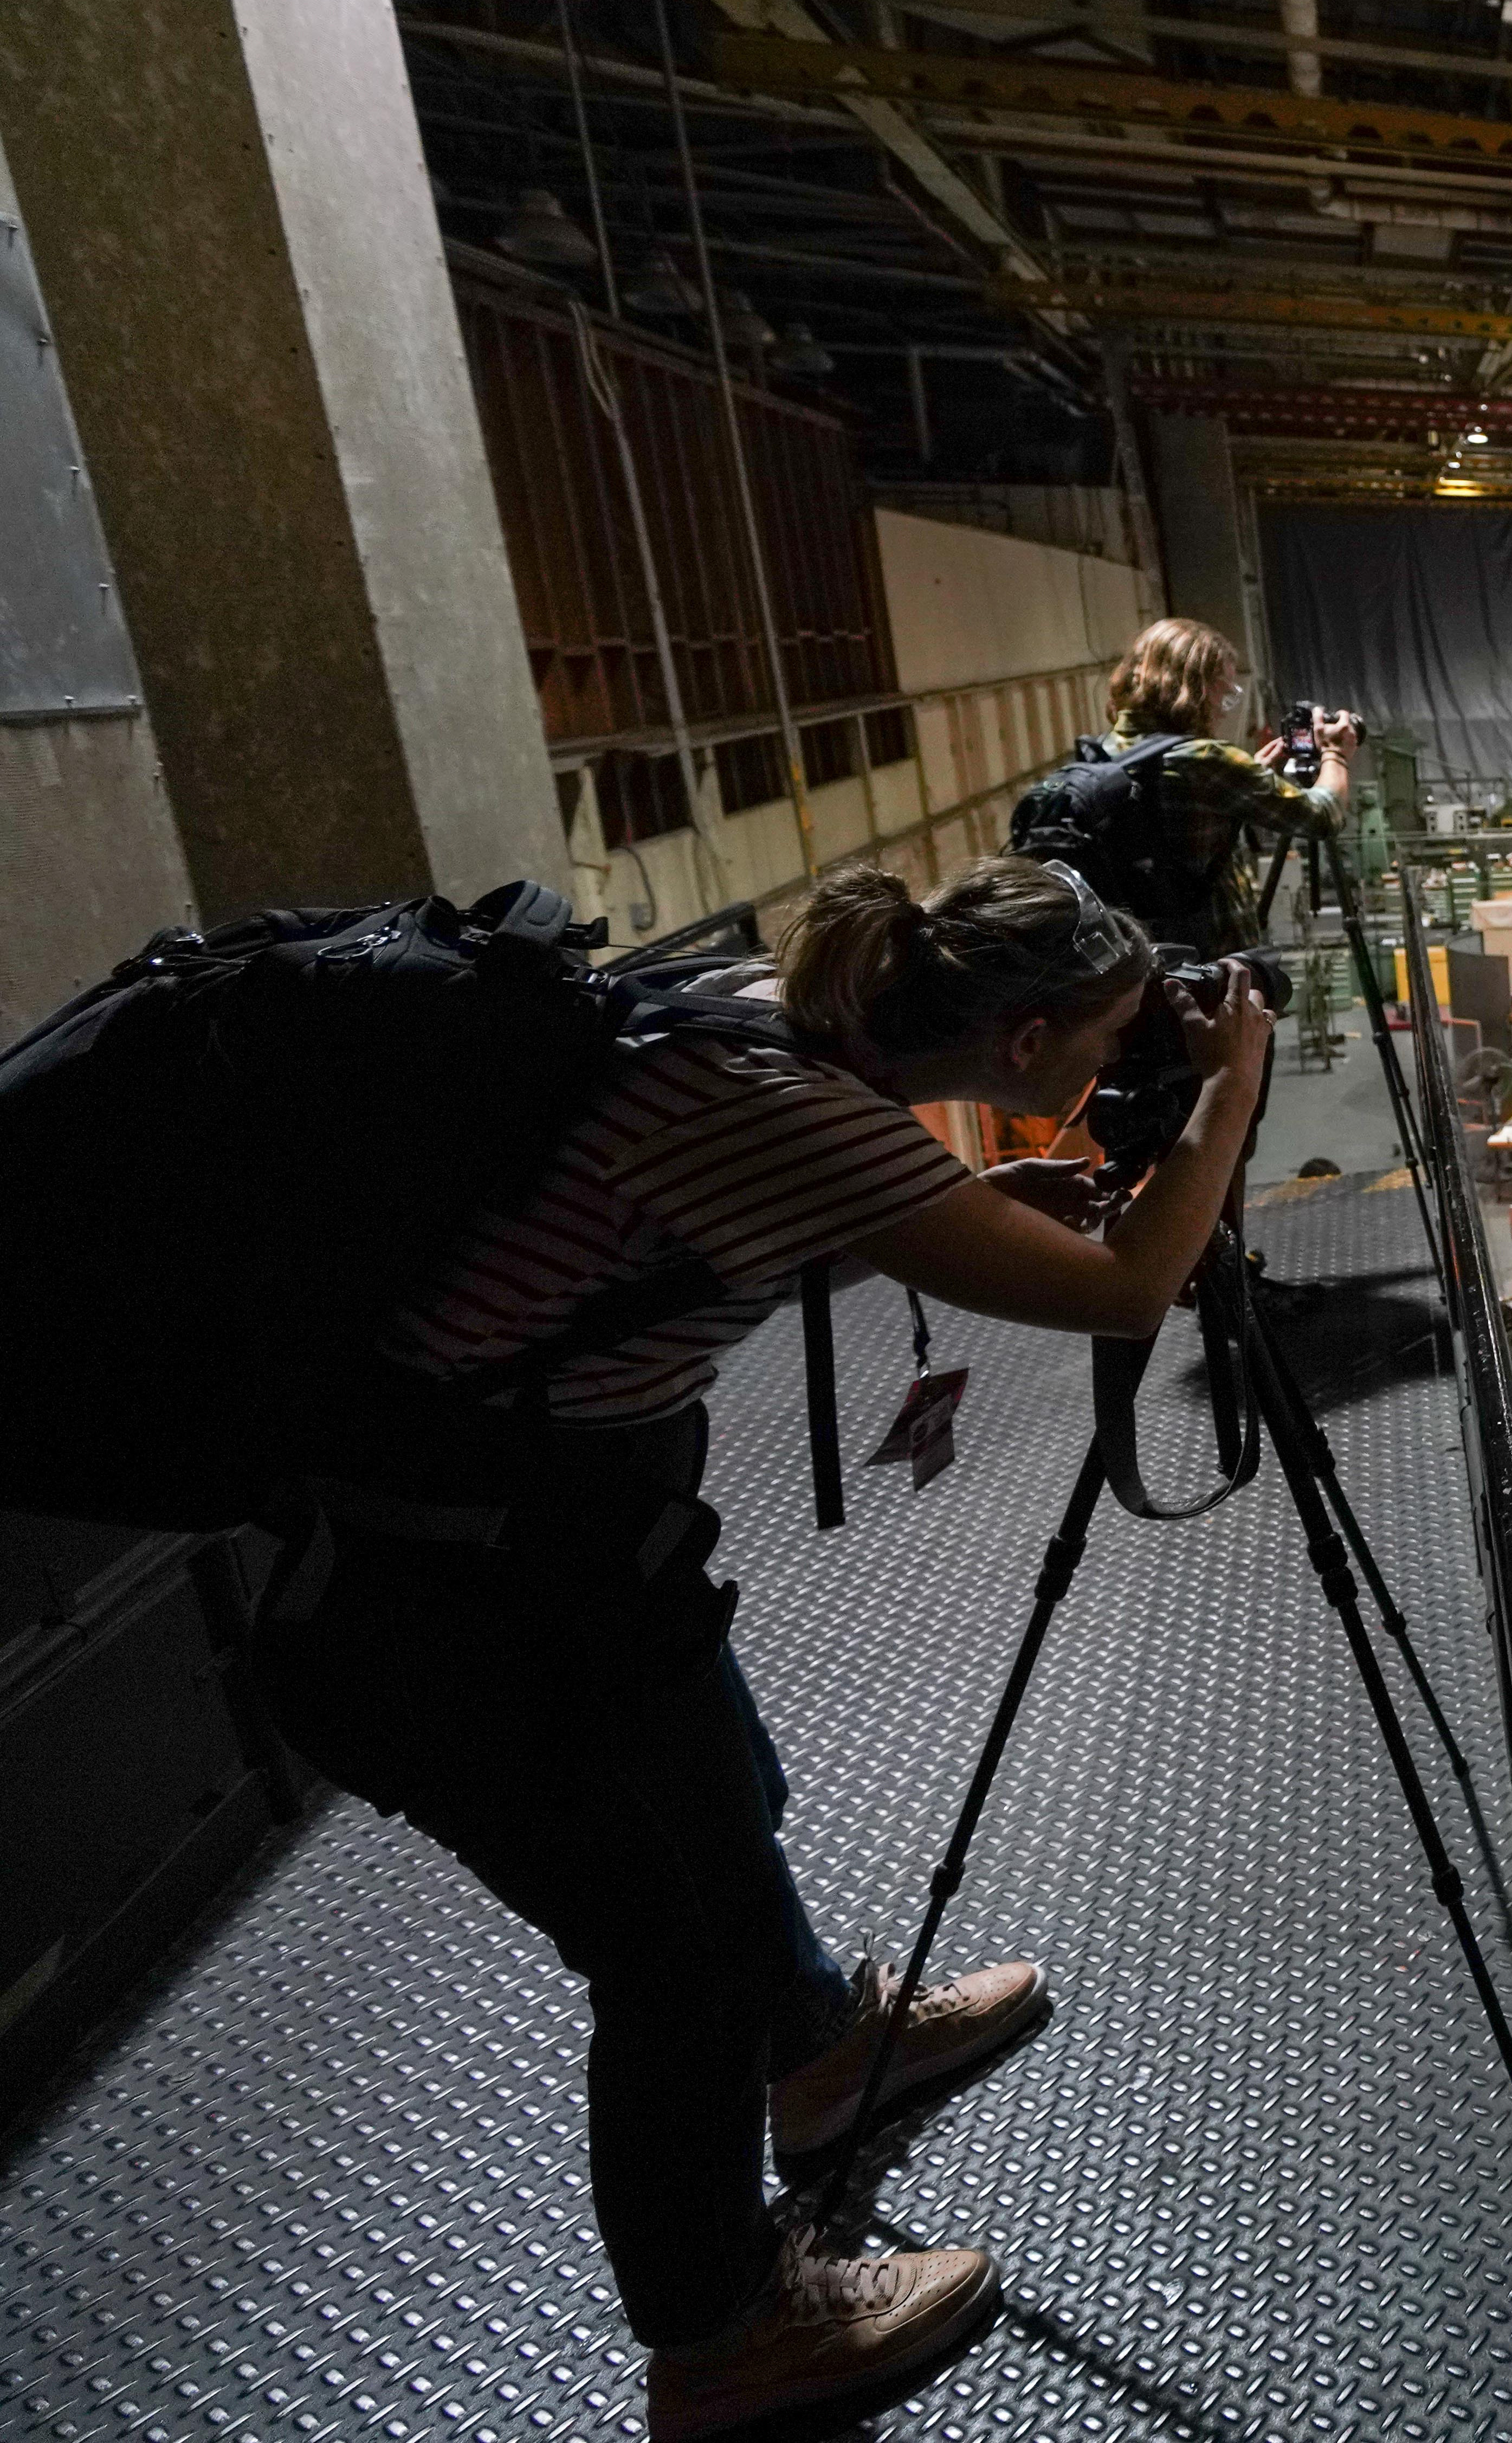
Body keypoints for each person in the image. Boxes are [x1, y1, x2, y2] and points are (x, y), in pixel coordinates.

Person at [250, 856, 1276, 2442]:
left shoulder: (775, 1026)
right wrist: (1233, 1090)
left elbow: (682, 1229)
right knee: (671, 1967)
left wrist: (968, 1212)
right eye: (1103, 1036)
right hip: (451, 1611)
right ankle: (719, 2334)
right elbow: (1131, 1288)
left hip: (562, 1544)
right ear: (1023, 1045)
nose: (1114, 1061)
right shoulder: (790, 1111)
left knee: (729, 1795)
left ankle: (822, 2047)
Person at [1055, 615, 1362, 955]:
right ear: (1197, 689)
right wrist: (1336, 753)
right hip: (1211, 956)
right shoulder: (1206, 760)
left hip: (1136, 953)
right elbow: (1322, 817)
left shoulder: (1105, 753)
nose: (1224, 711)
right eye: (1224, 693)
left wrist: (1248, 775)